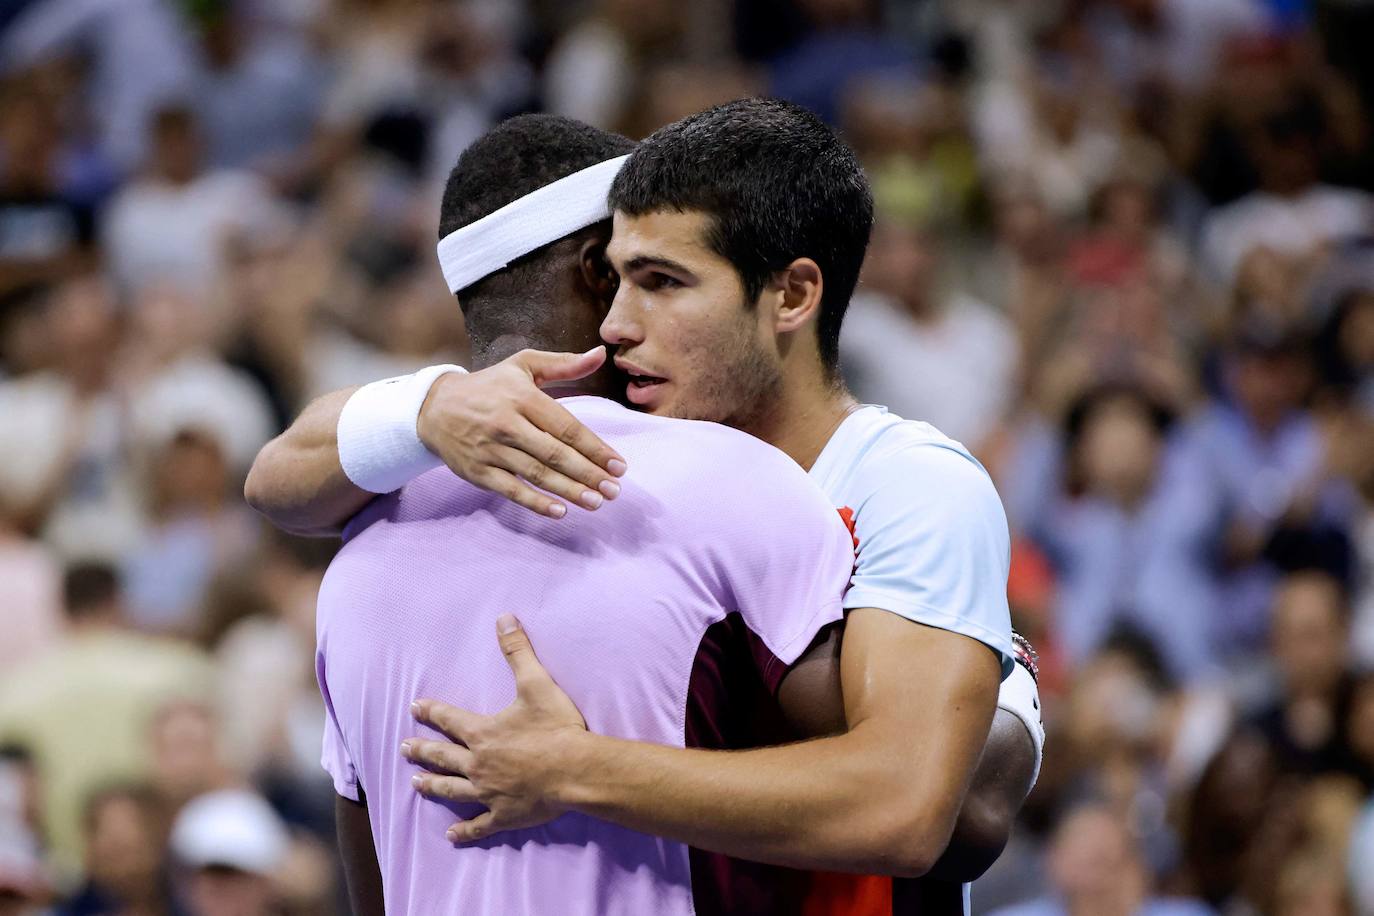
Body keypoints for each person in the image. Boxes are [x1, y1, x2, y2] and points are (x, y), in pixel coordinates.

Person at [247, 102, 1043, 914]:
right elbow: (276, 476)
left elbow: (925, 810)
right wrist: (429, 403)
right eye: (615, 279)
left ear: (793, 295)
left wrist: (576, 768)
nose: (620, 325)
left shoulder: (908, 483)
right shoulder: (541, 468)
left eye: (659, 282)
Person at [309, 115, 860, 914]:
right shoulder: (739, 481)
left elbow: (374, 887)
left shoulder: (357, 548)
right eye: (648, 267)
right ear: (602, 273)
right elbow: (888, 784)